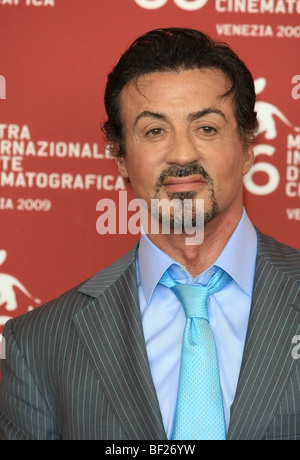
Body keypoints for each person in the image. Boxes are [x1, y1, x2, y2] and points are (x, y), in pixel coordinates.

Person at [0, 28, 299, 441]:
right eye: (155, 131)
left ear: (248, 145)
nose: (182, 154)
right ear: (121, 157)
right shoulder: (38, 344)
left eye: (207, 128)